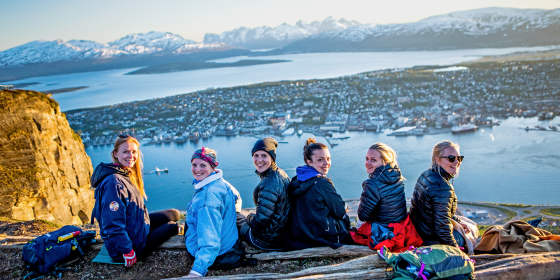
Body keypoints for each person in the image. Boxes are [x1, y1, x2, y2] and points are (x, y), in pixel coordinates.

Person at [91, 135, 180, 267]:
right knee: (174, 227)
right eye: (125, 152)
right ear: (116, 154)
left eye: (133, 152)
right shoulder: (114, 182)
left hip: (136, 227)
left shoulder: (124, 173)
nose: (131, 156)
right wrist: (127, 251)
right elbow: (112, 224)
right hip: (130, 245)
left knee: (174, 214)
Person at [184, 147, 243, 277]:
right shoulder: (221, 183)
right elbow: (237, 197)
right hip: (229, 241)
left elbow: (209, 240)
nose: (197, 169)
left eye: (203, 165)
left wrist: (197, 271)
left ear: (212, 167)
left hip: (220, 252)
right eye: (194, 165)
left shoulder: (207, 199)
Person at [286, 138, 352, 250]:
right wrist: (345, 208)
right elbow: (340, 210)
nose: (326, 163)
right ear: (309, 161)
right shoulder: (322, 183)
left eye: (328, 158)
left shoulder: (296, 180)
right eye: (320, 160)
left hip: (300, 236)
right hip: (320, 237)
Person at [409, 140, 465, 248]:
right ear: (437, 160)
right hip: (431, 240)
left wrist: (457, 221)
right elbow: (442, 229)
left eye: (459, 158)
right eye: (451, 158)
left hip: (417, 232)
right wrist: (456, 250)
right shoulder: (443, 188)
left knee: (462, 223)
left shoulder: (426, 175)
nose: (456, 162)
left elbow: (440, 213)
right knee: (471, 230)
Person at [237, 137, 291, 250]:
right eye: (256, 155)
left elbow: (261, 222)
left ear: (272, 158)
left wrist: (250, 217)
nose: (259, 160)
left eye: (264, 156)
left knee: (235, 218)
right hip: (281, 233)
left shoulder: (269, 183)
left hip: (266, 240)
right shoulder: (280, 173)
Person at [357, 143, 407, 245]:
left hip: (383, 231)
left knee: (356, 227)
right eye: (367, 159)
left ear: (385, 162)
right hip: (400, 227)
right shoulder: (397, 176)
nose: (368, 163)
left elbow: (362, 216)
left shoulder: (372, 184)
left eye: (373, 160)